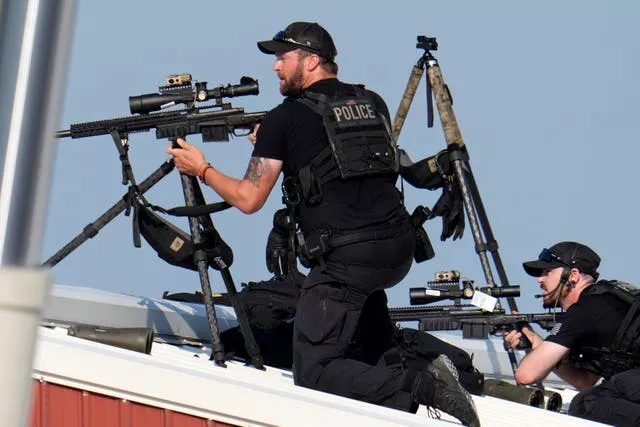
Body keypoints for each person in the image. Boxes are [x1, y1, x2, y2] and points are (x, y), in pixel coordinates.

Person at [167, 21, 479, 426]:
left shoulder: (285, 119)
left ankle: (427, 385)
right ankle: (404, 397)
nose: (276, 67)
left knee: (314, 372)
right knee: (370, 351)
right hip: (396, 249)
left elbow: (249, 199)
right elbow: (336, 156)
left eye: (283, 57)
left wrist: (201, 168)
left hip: (346, 260)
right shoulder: (372, 102)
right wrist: (275, 144)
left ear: (311, 61)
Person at [505, 241, 640, 426]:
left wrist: (539, 351)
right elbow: (585, 381)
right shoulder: (604, 300)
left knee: (585, 404)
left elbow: (526, 375)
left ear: (573, 275)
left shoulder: (584, 311)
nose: (540, 280)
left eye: (547, 272)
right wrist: (538, 344)